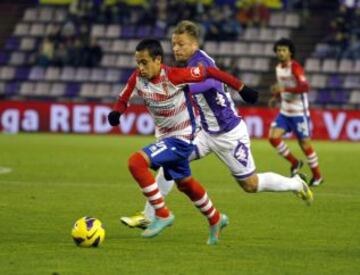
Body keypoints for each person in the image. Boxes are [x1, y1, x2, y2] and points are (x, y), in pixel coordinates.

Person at [120, 21, 314, 231]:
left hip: (229, 133)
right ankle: (150, 215)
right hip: (204, 132)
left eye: (181, 44)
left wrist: (180, 91)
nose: (176, 48)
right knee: (171, 160)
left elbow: (210, 82)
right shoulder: (184, 67)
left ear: (194, 44)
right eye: (174, 44)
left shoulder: (202, 61)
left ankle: (296, 183)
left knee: (250, 185)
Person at [108, 38, 257, 245]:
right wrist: (117, 112)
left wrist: (241, 87)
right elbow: (123, 98)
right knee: (185, 184)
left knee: (136, 162)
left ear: (158, 60)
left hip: (183, 138)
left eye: (144, 62)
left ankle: (162, 214)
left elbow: (210, 72)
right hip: (164, 137)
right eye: (137, 63)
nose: (140, 67)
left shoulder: (175, 76)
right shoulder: (137, 78)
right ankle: (216, 219)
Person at [268, 38, 323, 186]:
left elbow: (304, 87)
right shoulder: (278, 68)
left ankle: (318, 176)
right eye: (278, 50)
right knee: (273, 137)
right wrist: (276, 97)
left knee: (304, 144)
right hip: (285, 112)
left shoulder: (295, 67)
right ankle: (295, 162)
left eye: (284, 50)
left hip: (299, 113)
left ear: (290, 52)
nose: (281, 53)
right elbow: (283, 86)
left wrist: (283, 90)